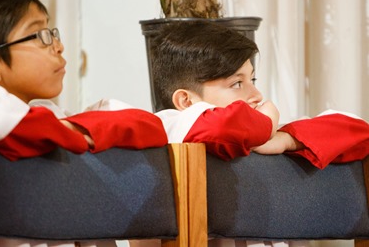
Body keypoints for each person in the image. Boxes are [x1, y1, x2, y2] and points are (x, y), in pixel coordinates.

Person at [150, 20, 369, 247]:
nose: (256, 94)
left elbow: (359, 131)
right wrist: (267, 120)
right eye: (237, 84)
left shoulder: (272, 133)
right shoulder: (170, 125)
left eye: (252, 80)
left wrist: (287, 140)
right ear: (186, 100)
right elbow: (225, 126)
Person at [0, 0, 167, 247]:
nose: (59, 46)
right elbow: (23, 129)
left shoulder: (49, 112)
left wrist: (73, 128)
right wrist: (73, 132)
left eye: (52, 32)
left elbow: (150, 125)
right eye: (39, 35)